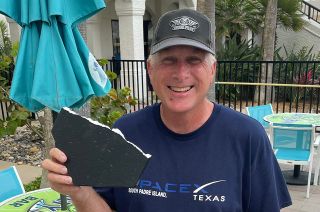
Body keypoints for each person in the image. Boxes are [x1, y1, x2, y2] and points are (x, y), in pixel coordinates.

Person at [42, 9, 292, 211]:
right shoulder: (125, 131)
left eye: (194, 60)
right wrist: (80, 190)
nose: (181, 74)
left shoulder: (247, 136)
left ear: (212, 70)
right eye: (168, 60)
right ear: (151, 70)